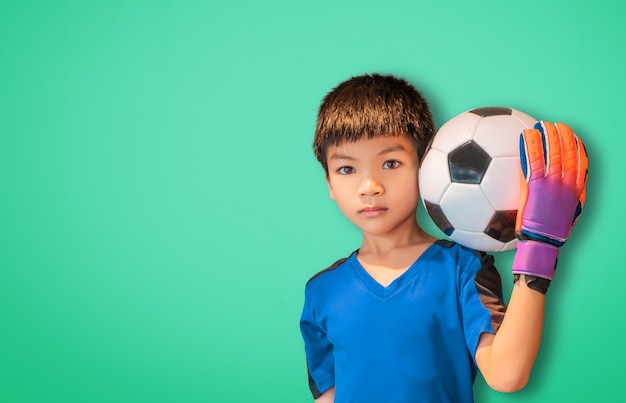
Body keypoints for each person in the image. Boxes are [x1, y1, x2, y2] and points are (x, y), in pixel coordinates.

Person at [299, 74, 588, 402]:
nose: (370, 186)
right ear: (328, 183)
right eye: (347, 169)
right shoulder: (322, 290)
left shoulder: (463, 269)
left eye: (391, 163)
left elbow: (507, 375)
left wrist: (539, 249)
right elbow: (329, 394)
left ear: (425, 167)